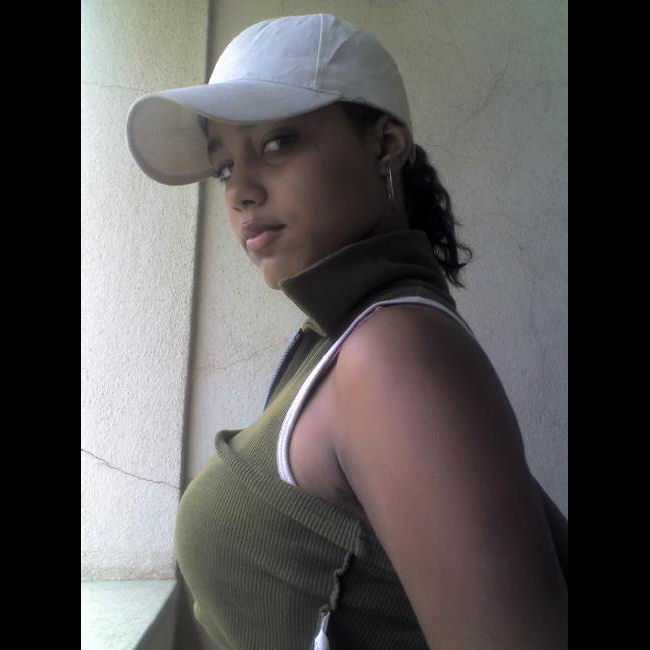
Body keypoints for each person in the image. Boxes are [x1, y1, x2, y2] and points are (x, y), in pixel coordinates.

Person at [126, 13, 567, 650]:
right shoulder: (349, 339)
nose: (240, 190)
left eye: (277, 142)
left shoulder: (392, 352)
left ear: (385, 145)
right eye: (223, 168)